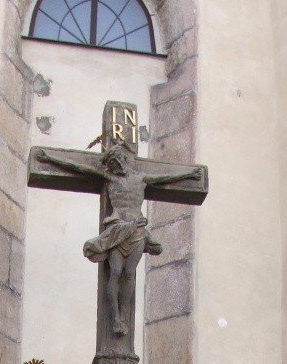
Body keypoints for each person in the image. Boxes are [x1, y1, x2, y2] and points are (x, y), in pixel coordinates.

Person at [35, 144, 202, 338]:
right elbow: (79, 168)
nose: (113, 166)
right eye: (109, 163)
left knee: (129, 273)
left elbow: (166, 178)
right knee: (115, 271)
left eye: (114, 161)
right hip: (117, 230)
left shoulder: (141, 178)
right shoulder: (109, 178)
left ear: (122, 160)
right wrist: (48, 158)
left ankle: (123, 315)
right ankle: (115, 317)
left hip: (137, 231)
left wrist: (190, 175)